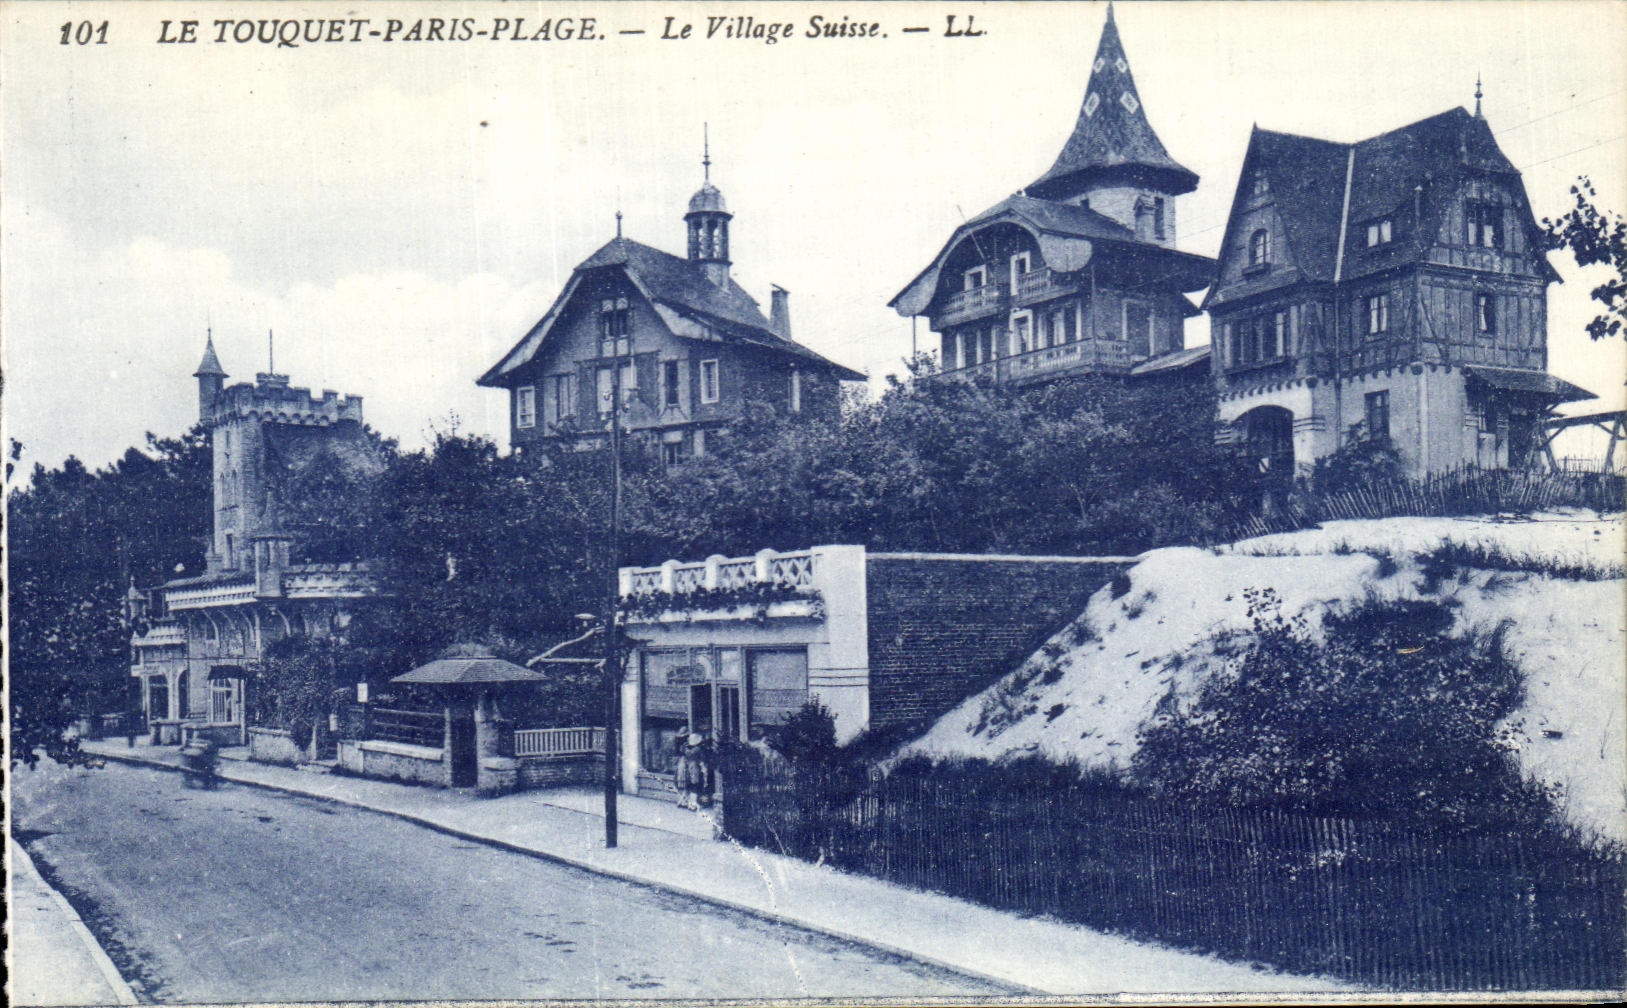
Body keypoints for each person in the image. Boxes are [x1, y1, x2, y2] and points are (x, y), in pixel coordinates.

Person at [675, 732, 708, 810]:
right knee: (694, 786)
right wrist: (704, 770)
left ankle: (683, 802)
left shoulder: (684, 748)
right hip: (694, 769)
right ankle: (692, 804)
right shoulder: (699, 750)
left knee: (686, 785)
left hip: (684, 769)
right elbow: (702, 761)